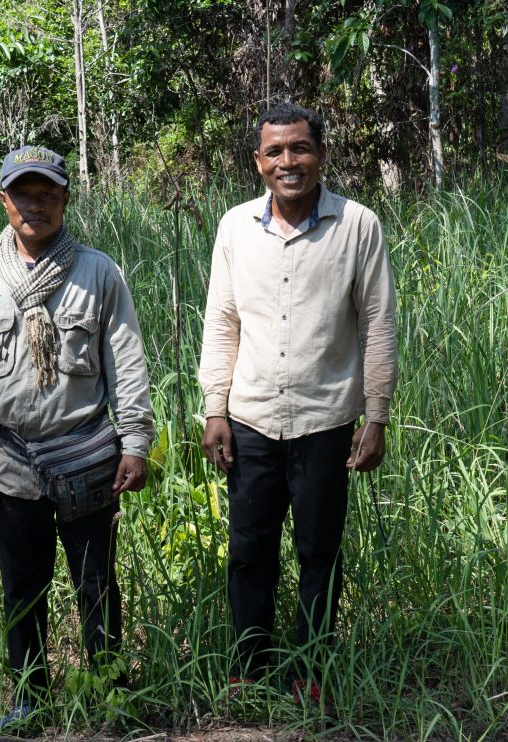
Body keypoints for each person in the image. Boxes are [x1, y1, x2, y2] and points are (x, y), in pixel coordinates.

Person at [0, 145, 154, 732]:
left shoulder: (98, 272)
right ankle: (29, 697)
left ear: (65, 198)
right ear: (4, 199)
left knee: (96, 583)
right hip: (8, 459)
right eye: (24, 193)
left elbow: (128, 361)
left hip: (87, 455)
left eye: (47, 193)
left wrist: (135, 441)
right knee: (22, 588)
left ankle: (110, 691)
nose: (35, 204)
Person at [198, 103, 398, 702]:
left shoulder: (358, 225)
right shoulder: (235, 227)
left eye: (300, 148)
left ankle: (313, 671)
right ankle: (248, 668)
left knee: (320, 551)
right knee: (248, 549)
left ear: (320, 155)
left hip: (325, 420)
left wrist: (377, 413)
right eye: (276, 152)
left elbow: (379, 324)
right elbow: (222, 321)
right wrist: (214, 407)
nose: (290, 162)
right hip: (252, 417)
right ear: (258, 162)